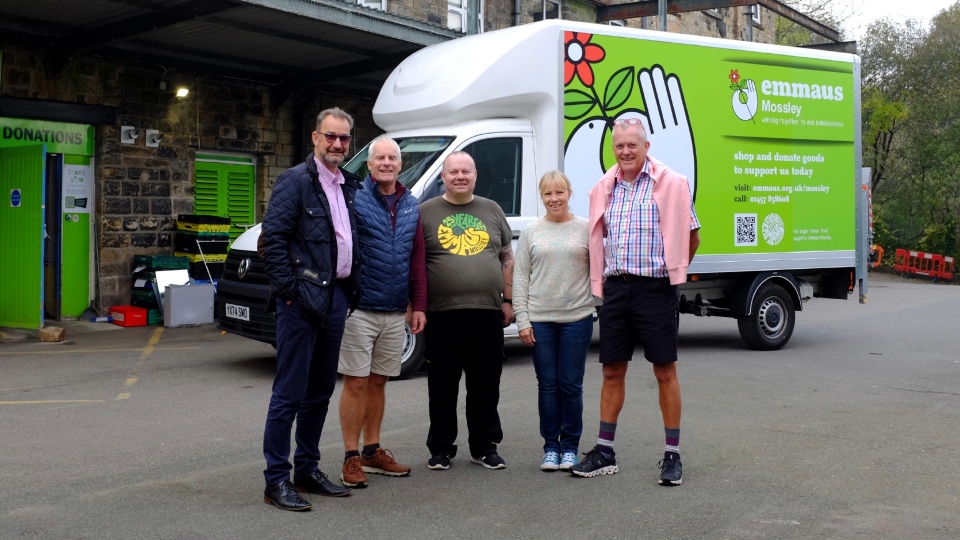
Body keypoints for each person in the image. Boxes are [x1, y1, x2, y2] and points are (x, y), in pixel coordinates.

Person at [570, 118, 701, 486]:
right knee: (611, 370)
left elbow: (693, 235)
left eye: (632, 145)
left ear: (646, 146)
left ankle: (672, 455)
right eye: (619, 146)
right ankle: (604, 451)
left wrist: (673, 269)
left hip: (655, 290)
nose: (625, 151)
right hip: (616, 290)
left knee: (664, 371)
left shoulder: (672, 183)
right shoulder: (604, 188)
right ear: (613, 148)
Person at [259, 107, 359, 510]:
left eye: (345, 138)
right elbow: (273, 240)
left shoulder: (348, 184)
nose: (337, 144)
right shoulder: (296, 181)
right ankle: (276, 480)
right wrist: (289, 292)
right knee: (289, 392)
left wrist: (351, 290)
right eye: (331, 136)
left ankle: (307, 469)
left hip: (335, 298)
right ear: (315, 138)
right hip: (301, 301)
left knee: (319, 392)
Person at [337, 137, 427, 488]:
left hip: (394, 310)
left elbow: (416, 259)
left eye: (392, 158)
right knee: (356, 382)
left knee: (378, 382)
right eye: (380, 158)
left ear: (400, 165)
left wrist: (418, 304)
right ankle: (350, 457)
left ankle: (372, 452)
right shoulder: (354, 198)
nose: (386, 163)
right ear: (370, 165)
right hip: (359, 307)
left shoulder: (411, 204)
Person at [420, 151, 514, 471]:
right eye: (453, 172)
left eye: (466, 171)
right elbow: (414, 264)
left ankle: (484, 446)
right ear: (443, 178)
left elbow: (506, 257)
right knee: (442, 383)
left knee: (485, 383)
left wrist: (508, 300)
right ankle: (441, 447)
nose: (460, 176)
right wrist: (414, 305)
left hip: (486, 311)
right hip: (441, 313)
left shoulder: (492, 209)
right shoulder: (425, 212)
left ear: (476, 175)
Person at [513, 171, 595, 472]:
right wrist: (523, 319)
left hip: (577, 318)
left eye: (559, 192)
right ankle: (551, 447)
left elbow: (599, 271)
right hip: (540, 320)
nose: (554, 199)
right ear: (542, 196)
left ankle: (570, 447)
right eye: (548, 194)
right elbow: (520, 278)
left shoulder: (585, 229)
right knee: (547, 385)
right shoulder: (533, 232)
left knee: (571, 385)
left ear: (569, 193)